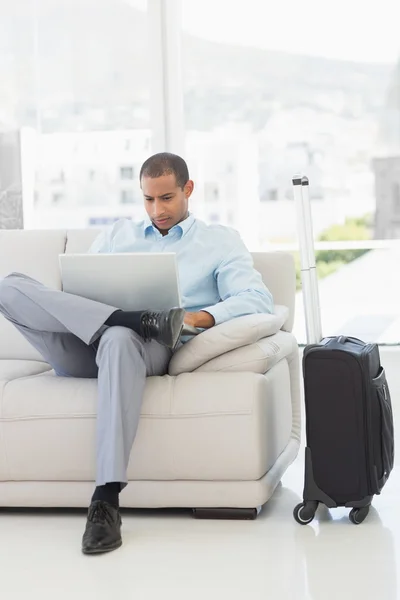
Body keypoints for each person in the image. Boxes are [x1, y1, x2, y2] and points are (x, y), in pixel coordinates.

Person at [0, 152, 274, 555]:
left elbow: (258, 298)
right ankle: (134, 317)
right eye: (148, 199)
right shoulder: (116, 234)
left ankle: (106, 499)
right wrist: (112, 315)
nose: (157, 209)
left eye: (166, 198)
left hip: (143, 350)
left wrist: (196, 317)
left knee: (118, 339)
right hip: (81, 345)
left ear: (188, 190)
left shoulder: (219, 240)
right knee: (9, 285)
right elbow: (72, 294)